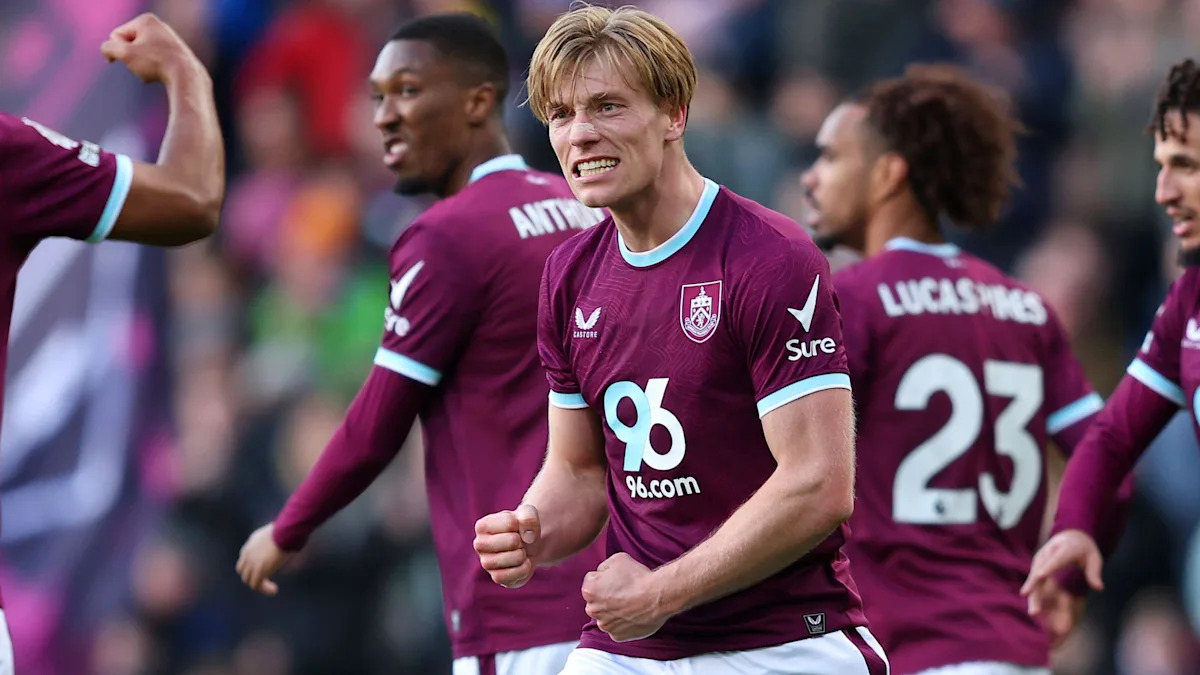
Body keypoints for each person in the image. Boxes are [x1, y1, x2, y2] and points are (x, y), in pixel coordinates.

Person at [472, 6, 888, 674]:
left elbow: (818, 484)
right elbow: (579, 470)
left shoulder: (768, 258)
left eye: (607, 107)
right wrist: (532, 527)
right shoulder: (568, 275)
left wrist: (661, 593)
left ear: (674, 114)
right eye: (561, 115)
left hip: (782, 641)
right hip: (633, 647)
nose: (580, 133)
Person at [234, 13, 607, 675]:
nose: (384, 118)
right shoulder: (586, 210)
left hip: (520, 613)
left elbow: (376, 424)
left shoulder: (447, 236)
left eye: (407, 92)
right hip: (619, 596)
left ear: (478, 102)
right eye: (377, 97)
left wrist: (288, 528)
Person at [801, 64, 1130, 675]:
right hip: (1014, 650)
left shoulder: (851, 302)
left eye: (830, 157)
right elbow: (1111, 463)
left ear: (887, 174)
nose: (810, 177)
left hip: (908, 649)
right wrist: (1068, 572)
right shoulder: (1027, 307)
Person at [1023, 58, 1200, 624]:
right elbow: (1112, 438)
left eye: (1186, 167)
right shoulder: (1187, 302)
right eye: (1161, 167)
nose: (1163, 192)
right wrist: (1073, 532)